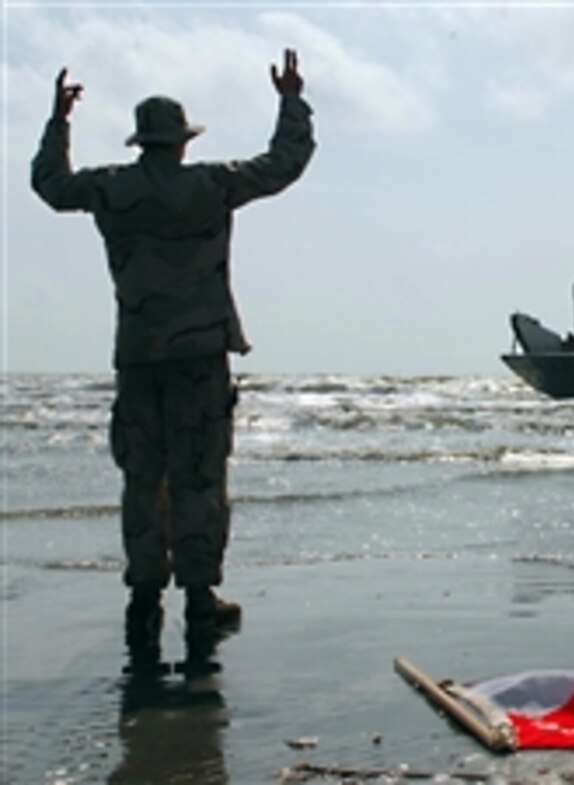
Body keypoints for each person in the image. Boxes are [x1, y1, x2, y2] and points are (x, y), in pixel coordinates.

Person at [31, 49, 316, 656]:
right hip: (199, 356)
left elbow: (50, 187)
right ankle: (198, 599)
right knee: (200, 478)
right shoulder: (211, 184)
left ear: (142, 143)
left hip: (138, 357)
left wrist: (58, 122)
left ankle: (142, 600)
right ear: (181, 142)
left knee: (143, 478)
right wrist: (290, 101)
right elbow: (283, 164)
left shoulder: (111, 187)